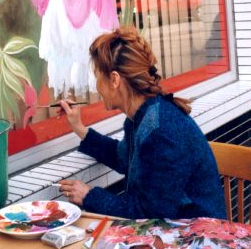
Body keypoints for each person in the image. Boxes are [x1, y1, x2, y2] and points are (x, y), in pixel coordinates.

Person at [57, 27, 226, 219]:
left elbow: (150, 213)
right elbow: (124, 158)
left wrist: (89, 196)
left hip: (198, 238)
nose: (97, 87)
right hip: (168, 232)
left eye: (98, 77)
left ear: (114, 79)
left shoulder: (162, 129)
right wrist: (79, 128)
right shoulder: (143, 115)